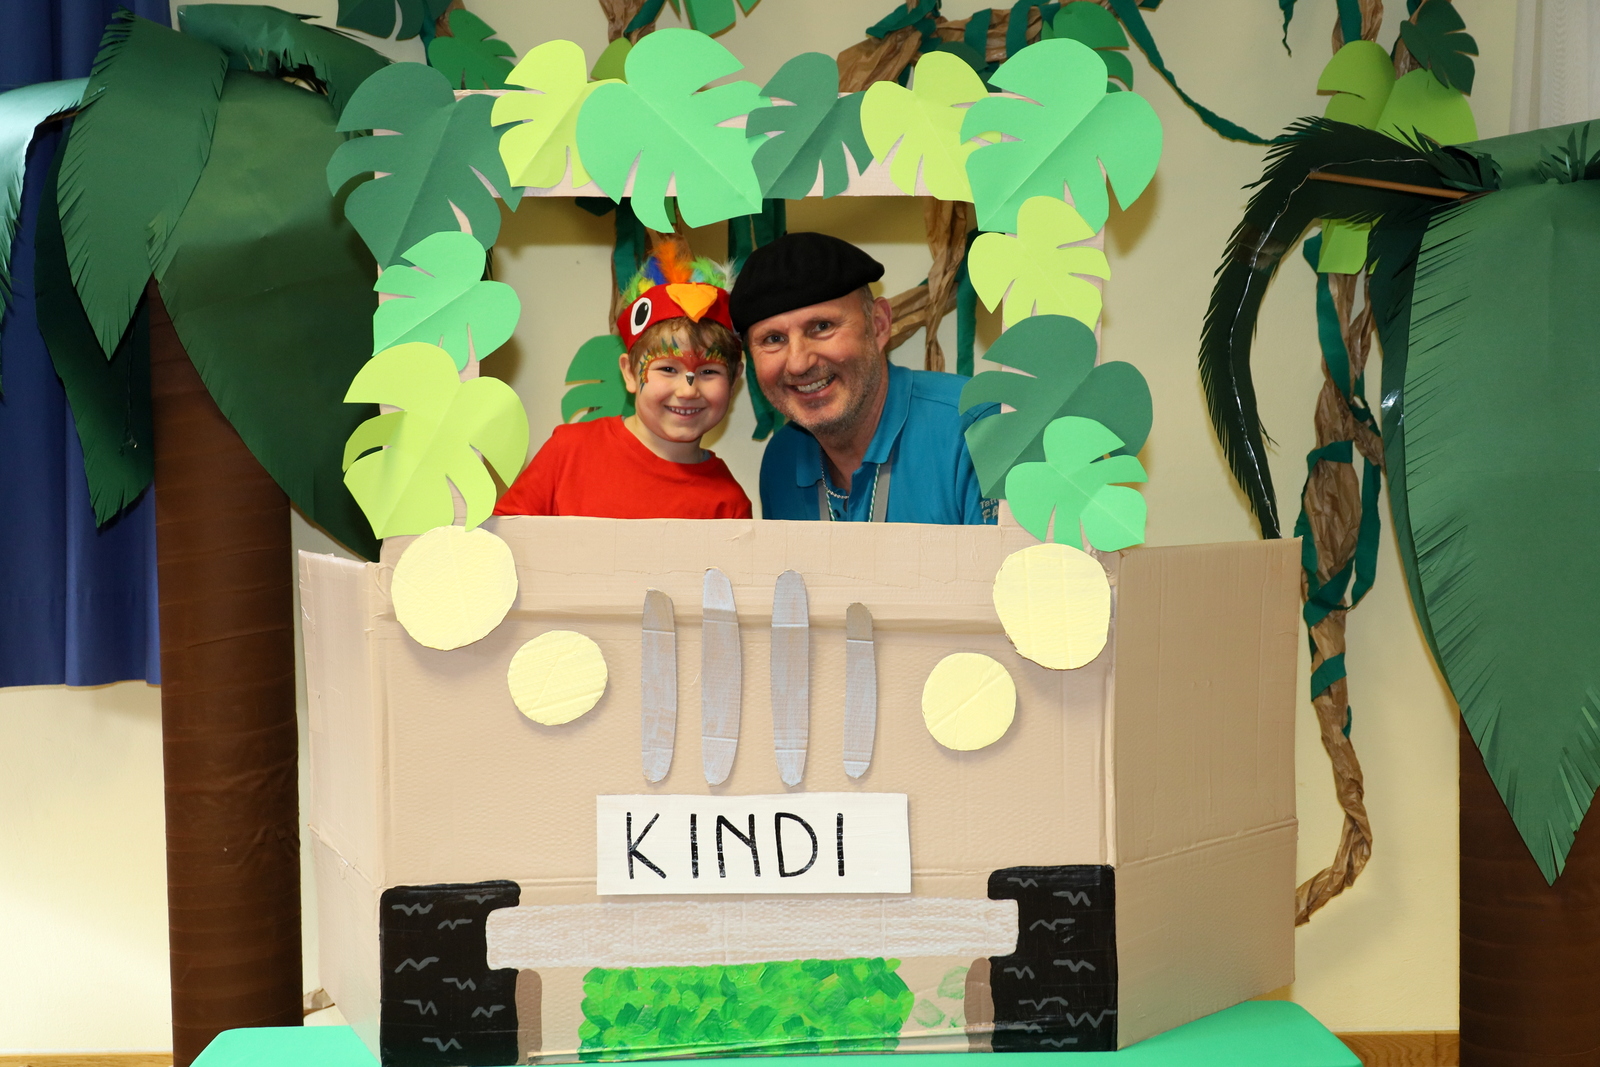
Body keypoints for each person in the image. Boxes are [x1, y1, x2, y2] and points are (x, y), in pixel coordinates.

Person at [730, 232, 995, 524]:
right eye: (773, 339)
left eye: (822, 326)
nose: (798, 363)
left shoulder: (977, 428)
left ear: (879, 325)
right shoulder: (781, 460)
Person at [495, 236, 752, 519]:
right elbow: (504, 538)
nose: (688, 391)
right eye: (667, 369)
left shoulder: (730, 504)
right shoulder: (569, 451)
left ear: (733, 380)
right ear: (629, 373)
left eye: (709, 371)